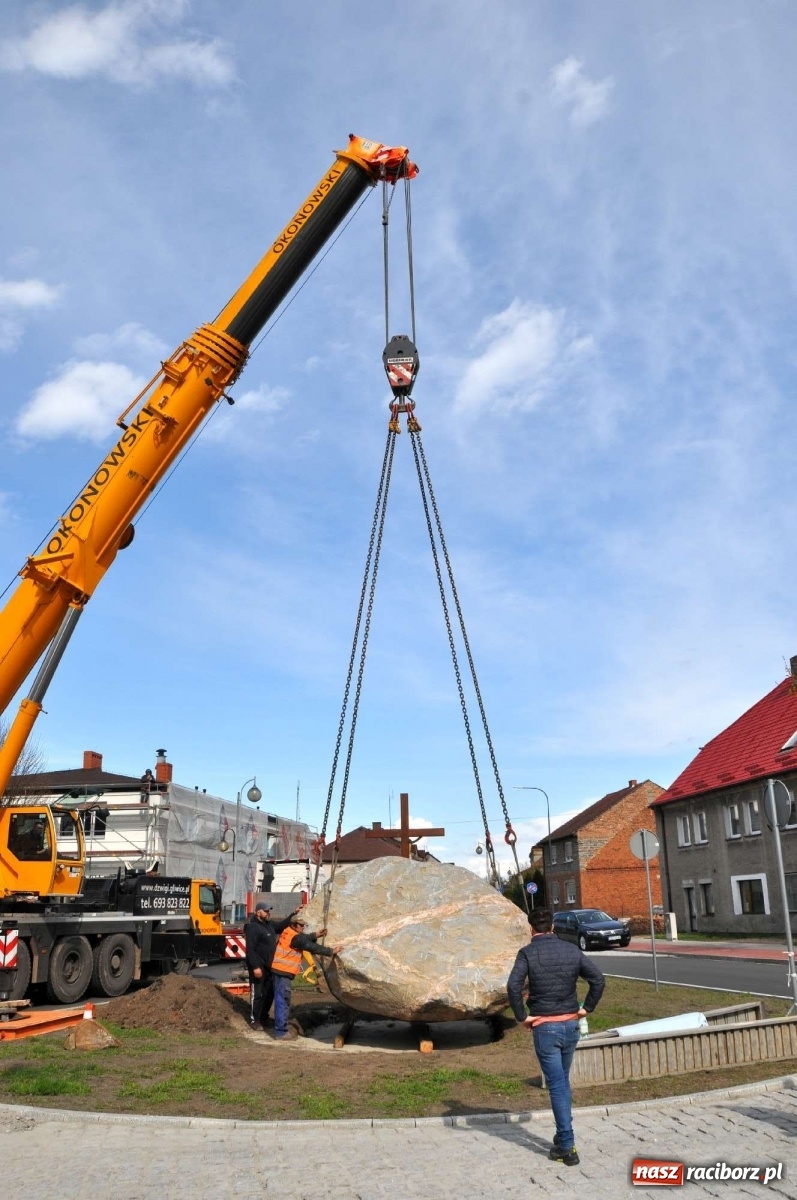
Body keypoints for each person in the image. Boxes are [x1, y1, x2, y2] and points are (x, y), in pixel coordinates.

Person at [507, 906, 605, 1166]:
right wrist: (586, 1009)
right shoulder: (571, 949)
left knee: (558, 1085)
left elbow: (513, 986)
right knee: (562, 1082)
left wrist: (521, 1017)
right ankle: (563, 1140)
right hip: (570, 1027)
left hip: (545, 1028)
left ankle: (568, 1145)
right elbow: (598, 979)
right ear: (552, 926)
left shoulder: (527, 953)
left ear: (531, 929)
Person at [271, 913, 342, 1040]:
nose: (303, 927)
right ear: (294, 925)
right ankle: (281, 1032)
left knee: (282, 1000)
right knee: (283, 1001)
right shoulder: (295, 938)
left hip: (280, 970)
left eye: (303, 925)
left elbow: (304, 938)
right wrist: (331, 951)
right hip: (283, 972)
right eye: (300, 925)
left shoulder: (289, 931)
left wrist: (316, 935)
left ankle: (280, 1029)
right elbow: (310, 946)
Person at [244, 901, 298, 1030]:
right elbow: (250, 949)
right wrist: (255, 967)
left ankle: (263, 1017)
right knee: (257, 995)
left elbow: (281, 925)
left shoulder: (269, 925)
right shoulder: (253, 928)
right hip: (258, 967)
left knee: (269, 993)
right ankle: (255, 1020)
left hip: (270, 967)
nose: (268, 913)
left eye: (269, 911)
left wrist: (294, 913)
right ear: (258, 912)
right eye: (266, 911)